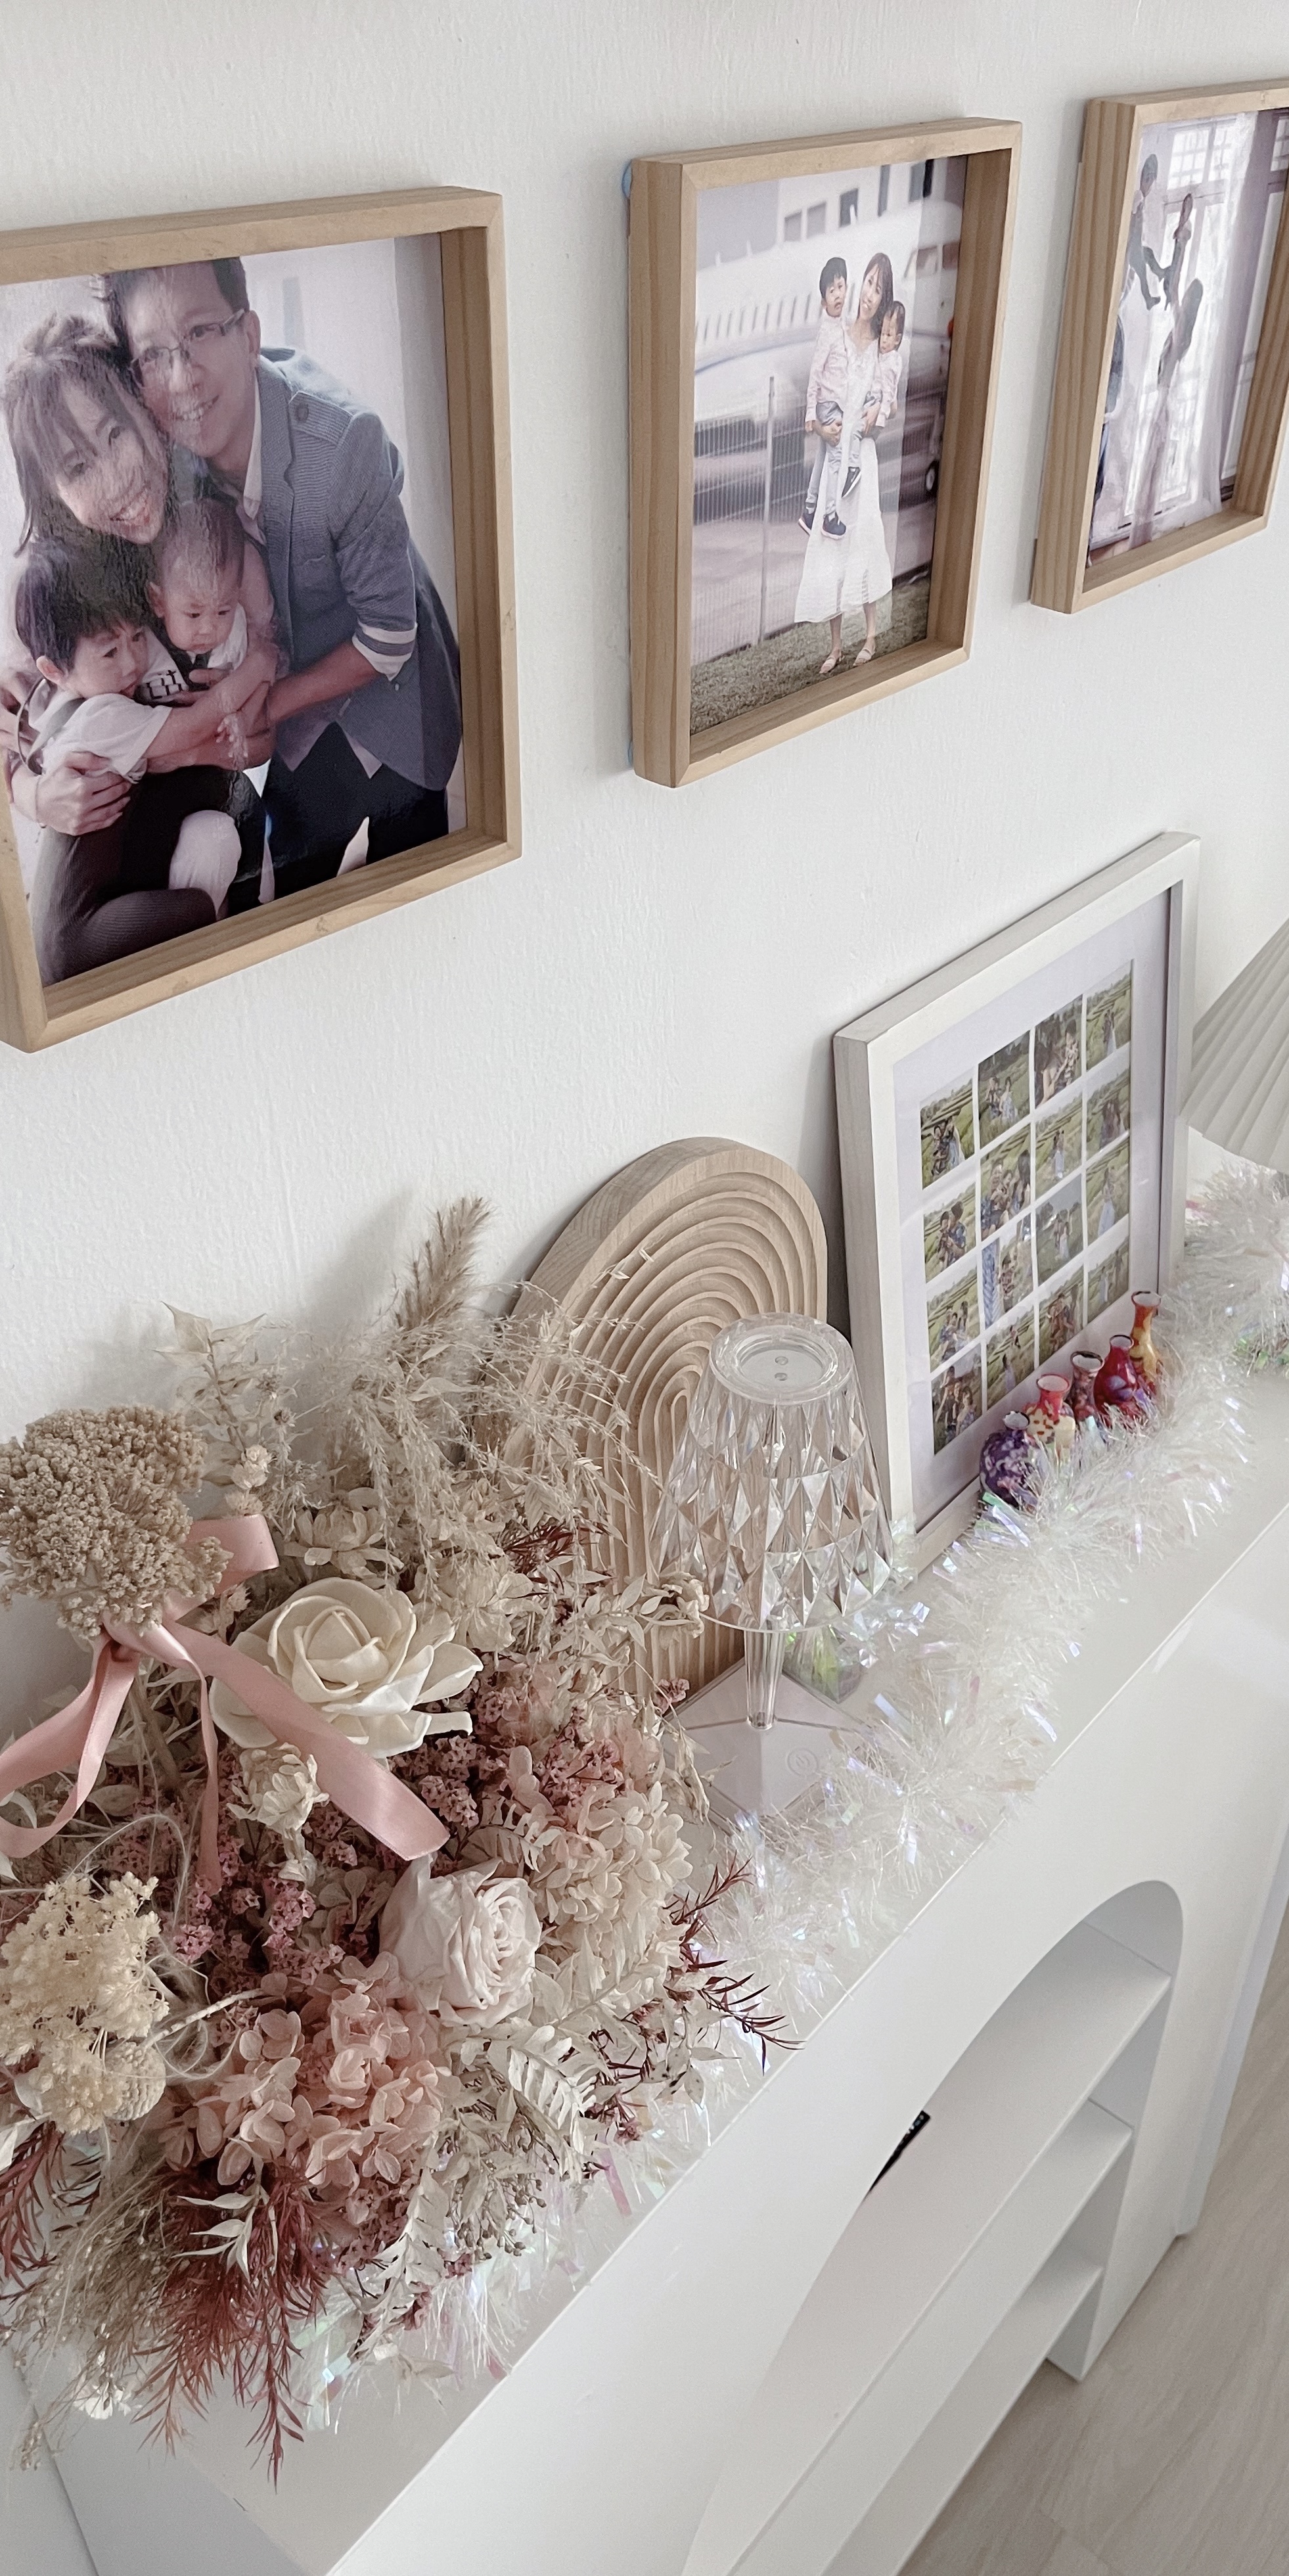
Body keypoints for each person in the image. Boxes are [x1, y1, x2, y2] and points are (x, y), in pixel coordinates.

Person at [102, 258, 462, 896]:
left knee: (412, 880)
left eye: (200, 333)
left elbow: (387, 639)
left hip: (397, 689)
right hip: (301, 680)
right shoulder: (165, 455)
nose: (181, 377)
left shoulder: (344, 441)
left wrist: (267, 697)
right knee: (283, 871)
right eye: (154, 354)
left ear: (248, 333)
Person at [0, 316, 274, 863]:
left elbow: (265, 734)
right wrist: (33, 796)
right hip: (107, 863)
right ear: (52, 495)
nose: (117, 479)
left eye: (116, 433)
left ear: (143, 409)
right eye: (78, 467)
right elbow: (11, 732)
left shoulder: (215, 538)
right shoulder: (50, 594)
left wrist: (201, 744)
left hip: (210, 832)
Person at [11, 541, 251, 982]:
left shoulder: (76, 700)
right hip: (76, 936)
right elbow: (200, 723)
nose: (133, 664)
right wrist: (262, 664)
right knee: (197, 910)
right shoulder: (101, 713)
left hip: (92, 905)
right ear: (54, 670)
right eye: (110, 652)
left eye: (137, 638)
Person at [794, 254, 894, 675]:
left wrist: (876, 419)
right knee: (831, 547)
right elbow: (821, 393)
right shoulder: (835, 335)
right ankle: (835, 647)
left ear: (883, 298)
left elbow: (886, 405)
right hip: (834, 458)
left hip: (861, 464)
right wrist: (821, 429)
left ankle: (870, 635)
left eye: (877, 288)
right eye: (867, 283)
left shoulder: (882, 349)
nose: (868, 294)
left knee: (864, 542)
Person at [800, 258, 849, 538]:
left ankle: (809, 511)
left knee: (822, 456)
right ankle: (829, 516)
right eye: (832, 291)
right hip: (828, 405)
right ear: (824, 302)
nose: (838, 294)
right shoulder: (827, 333)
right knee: (836, 456)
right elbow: (815, 374)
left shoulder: (841, 326)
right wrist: (810, 413)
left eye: (841, 286)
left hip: (834, 402)